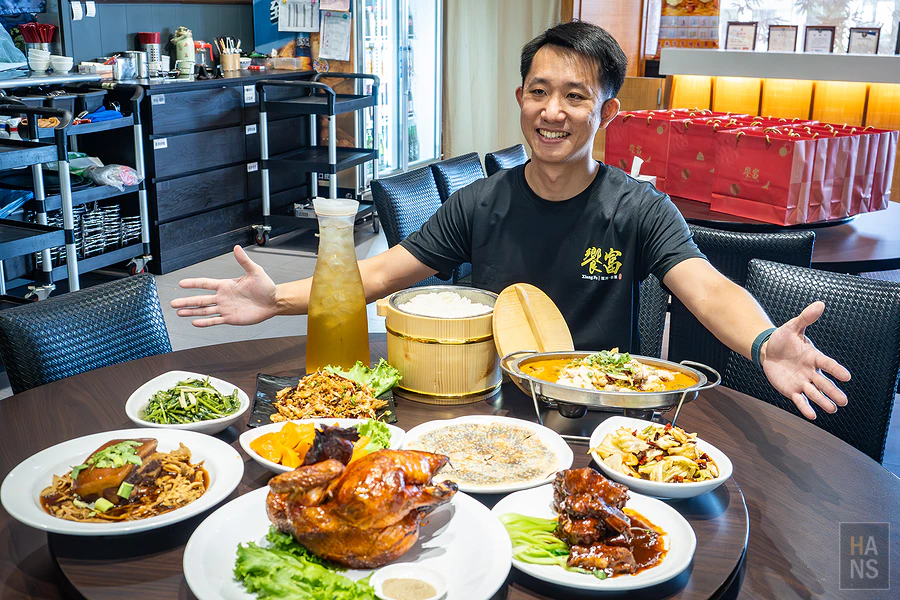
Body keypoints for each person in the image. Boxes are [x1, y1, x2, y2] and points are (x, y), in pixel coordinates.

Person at [172, 21, 850, 421]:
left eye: (575, 96)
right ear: (520, 97)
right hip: (490, 399)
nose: (552, 112)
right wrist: (277, 298)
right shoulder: (481, 201)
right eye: (539, 92)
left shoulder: (637, 207)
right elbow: (378, 275)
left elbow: (707, 287)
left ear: (607, 113)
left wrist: (764, 341)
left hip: (597, 412)